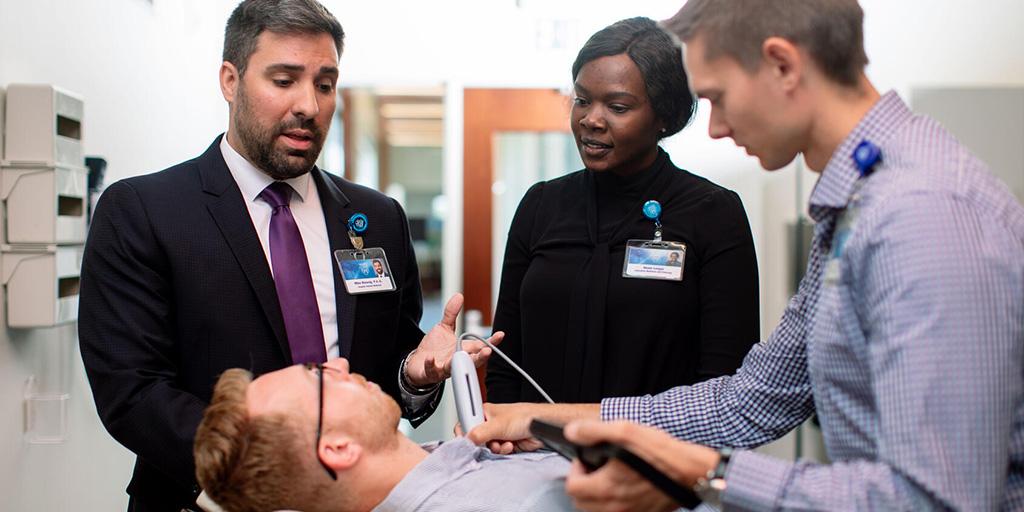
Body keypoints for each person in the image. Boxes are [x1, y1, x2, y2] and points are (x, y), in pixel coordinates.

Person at [469, 1, 1024, 510]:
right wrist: (546, 419)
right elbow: (750, 400)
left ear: (782, 66)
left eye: (717, 96)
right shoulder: (858, 206)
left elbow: (933, 500)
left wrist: (707, 475)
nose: (715, 126)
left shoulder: (922, 213)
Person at [78, 1, 498, 509]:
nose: (309, 105)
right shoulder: (145, 211)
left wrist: (414, 372)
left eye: (325, 85)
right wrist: (271, 478)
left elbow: (384, 369)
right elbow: (133, 392)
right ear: (230, 81)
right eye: (284, 81)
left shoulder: (377, 217)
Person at [487, 17, 759, 405]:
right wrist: (503, 431)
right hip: (534, 441)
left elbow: (725, 378)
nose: (591, 120)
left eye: (617, 107)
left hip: (657, 443)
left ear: (664, 116)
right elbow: (505, 359)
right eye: (582, 100)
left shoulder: (711, 213)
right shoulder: (541, 205)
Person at [194, 359, 576, 512]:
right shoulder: (521, 505)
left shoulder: (448, 459)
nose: (339, 363)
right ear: (338, 448)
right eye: (319, 376)